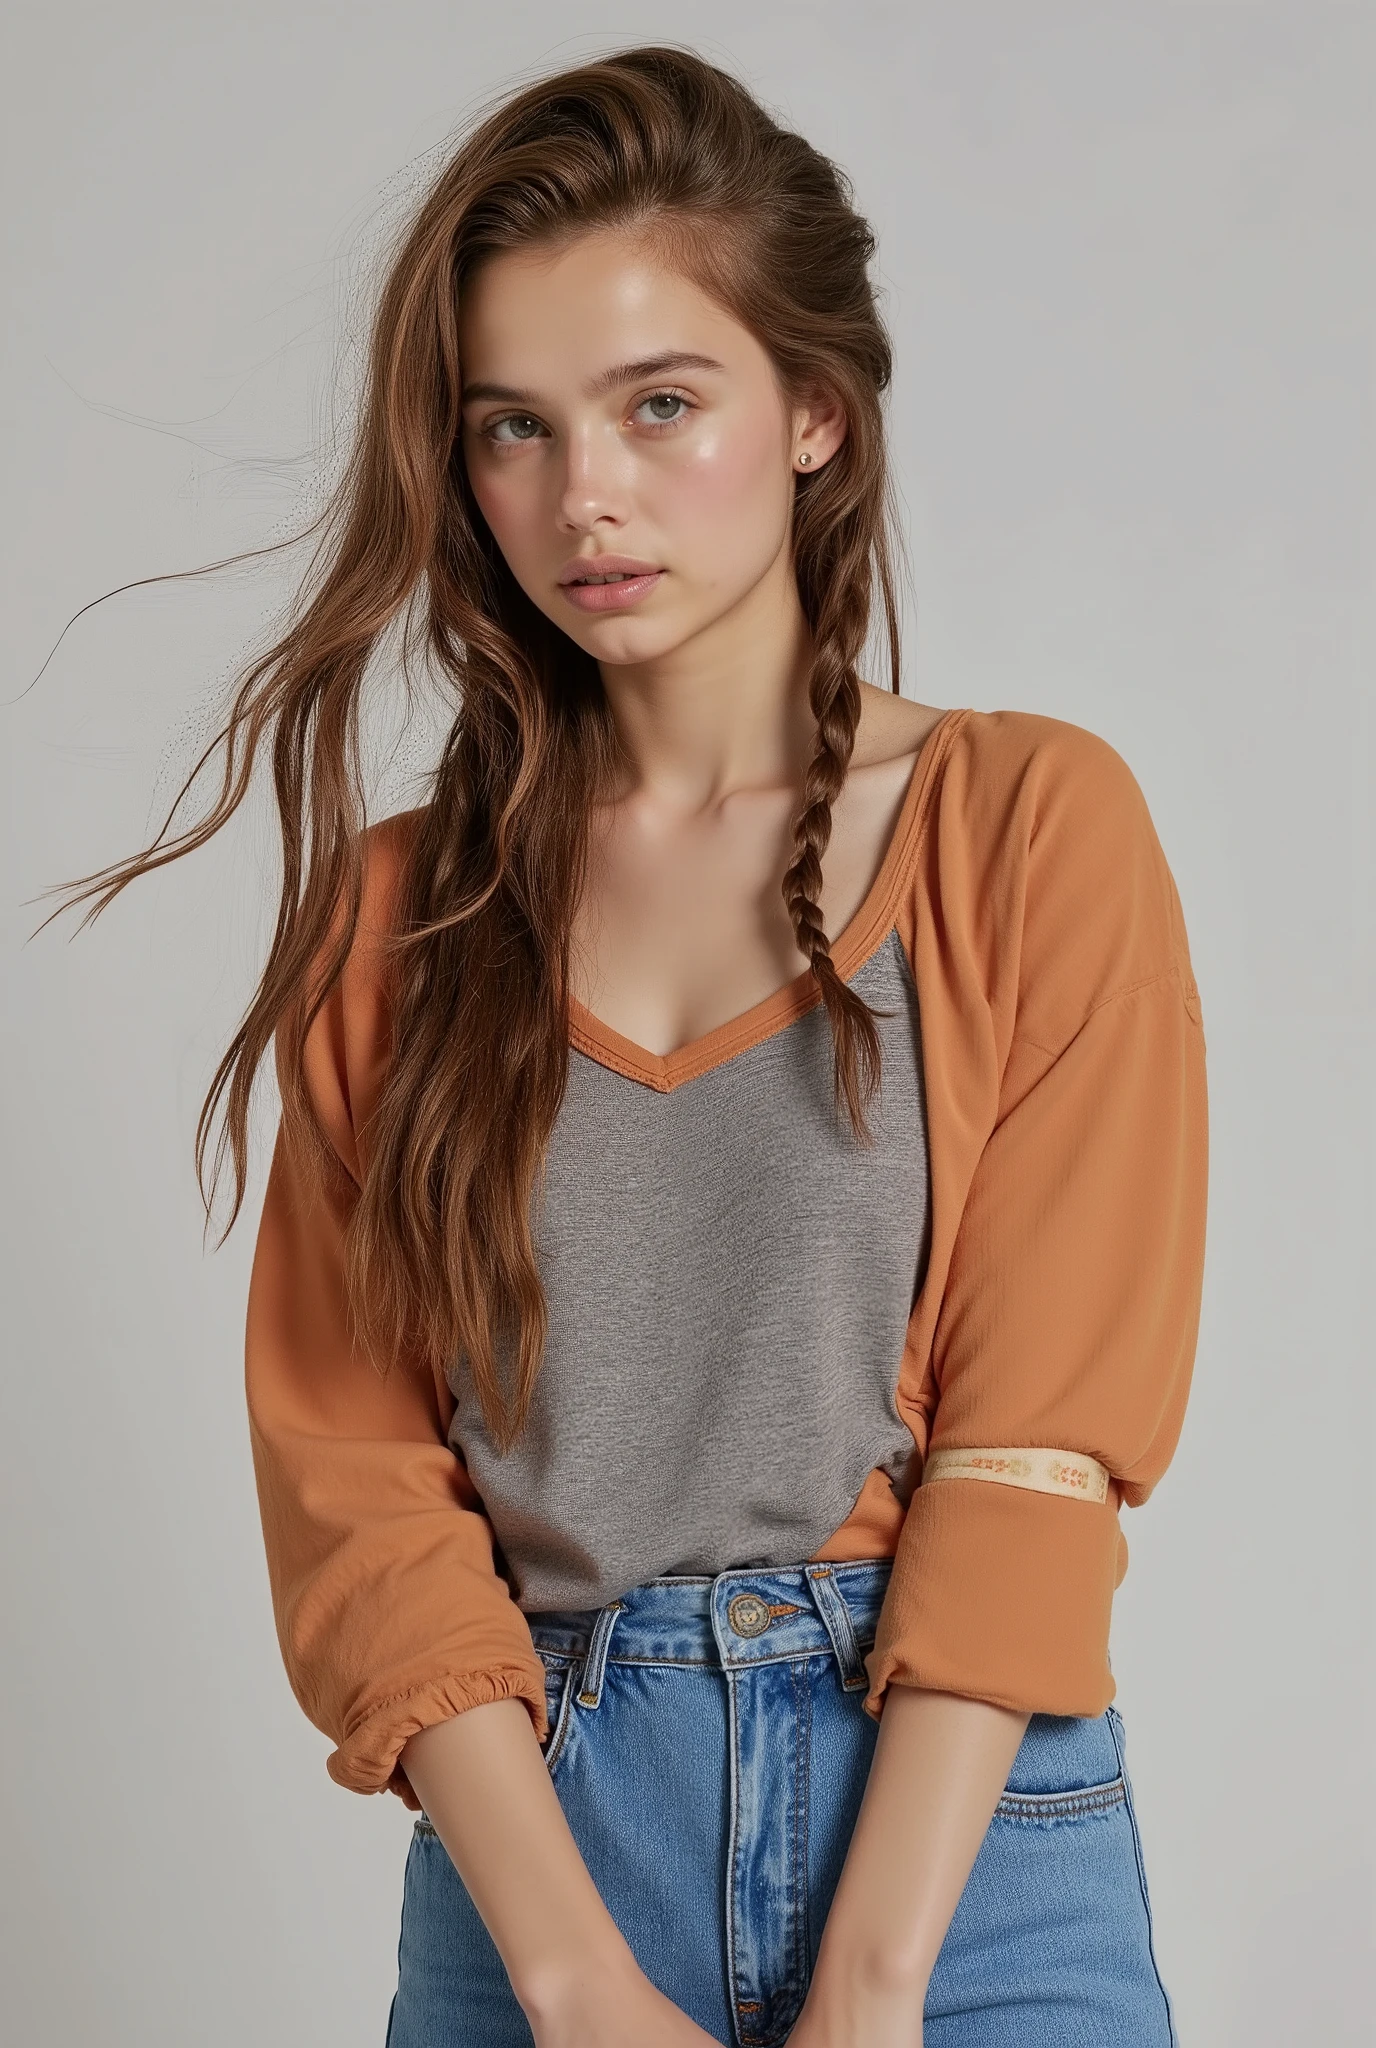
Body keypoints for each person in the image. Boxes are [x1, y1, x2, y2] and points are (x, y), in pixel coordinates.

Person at [64, 43, 1208, 2048]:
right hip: (537, 1873)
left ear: (813, 414)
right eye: (510, 430)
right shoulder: (404, 922)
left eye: (655, 404)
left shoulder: (1025, 828)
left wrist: (868, 1989)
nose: (578, 496)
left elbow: (1036, 1447)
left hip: (966, 1868)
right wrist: (576, 1984)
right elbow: (361, 1492)